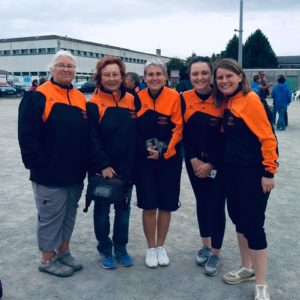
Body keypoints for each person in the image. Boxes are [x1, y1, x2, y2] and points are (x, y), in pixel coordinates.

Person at [18, 50, 89, 277]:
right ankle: (47, 259)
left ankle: (63, 251)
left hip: (75, 173)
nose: (66, 69)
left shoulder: (79, 98)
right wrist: (39, 166)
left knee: (69, 214)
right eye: (61, 65)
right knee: (50, 217)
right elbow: (27, 137)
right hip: (49, 173)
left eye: (71, 66)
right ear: (52, 69)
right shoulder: (38, 96)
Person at [213, 59, 278, 300]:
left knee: (253, 226)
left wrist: (268, 172)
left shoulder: (250, 101)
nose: (224, 81)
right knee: (239, 220)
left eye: (228, 76)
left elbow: (268, 139)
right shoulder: (229, 102)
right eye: (219, 78)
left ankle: (261, 283)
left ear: (240, 77)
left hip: (253, 175)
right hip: (233, 174)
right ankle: (247, 267)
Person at [86, 56, 137, 269]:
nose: (112, 78)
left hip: (127, 169)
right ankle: (105, 249)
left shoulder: (132, 100)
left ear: (122, 76)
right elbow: (91, 139)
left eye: (115, 74)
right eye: (107, 75)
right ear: (100, 77)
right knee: (102, 211)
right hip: (103, 171)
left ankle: (121, 247)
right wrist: (103, 165)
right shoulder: (93, 104)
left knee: (123, 212)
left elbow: (135, 134)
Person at [135, 59, 183, 268]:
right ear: (144, 77)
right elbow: (133, 130)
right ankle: (150, 247)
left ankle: (161, 246)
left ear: (165, 77)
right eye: (150, 74)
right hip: (144, 161)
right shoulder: (136, 98)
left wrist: (163, 153)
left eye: (158, 74)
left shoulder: (175, 98)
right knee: (148, 205)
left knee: (165, 206)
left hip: (168, 161)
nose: (154, 78)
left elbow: (179, 129)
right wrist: (143, 150)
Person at [181, 56, 226, 276]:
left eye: (204, 73)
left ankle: (216, 252)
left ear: (211, 74)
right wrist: (193, 158)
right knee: (202, 202)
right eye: (195, 74)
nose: (199, 78)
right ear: (189, 76)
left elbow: (226, 138)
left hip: (219, 163)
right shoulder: (184, 98)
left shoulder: (223, 98)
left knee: (217, 205)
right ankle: (206, 244)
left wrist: (211, 163)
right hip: (194, 162)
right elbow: (184, 132)